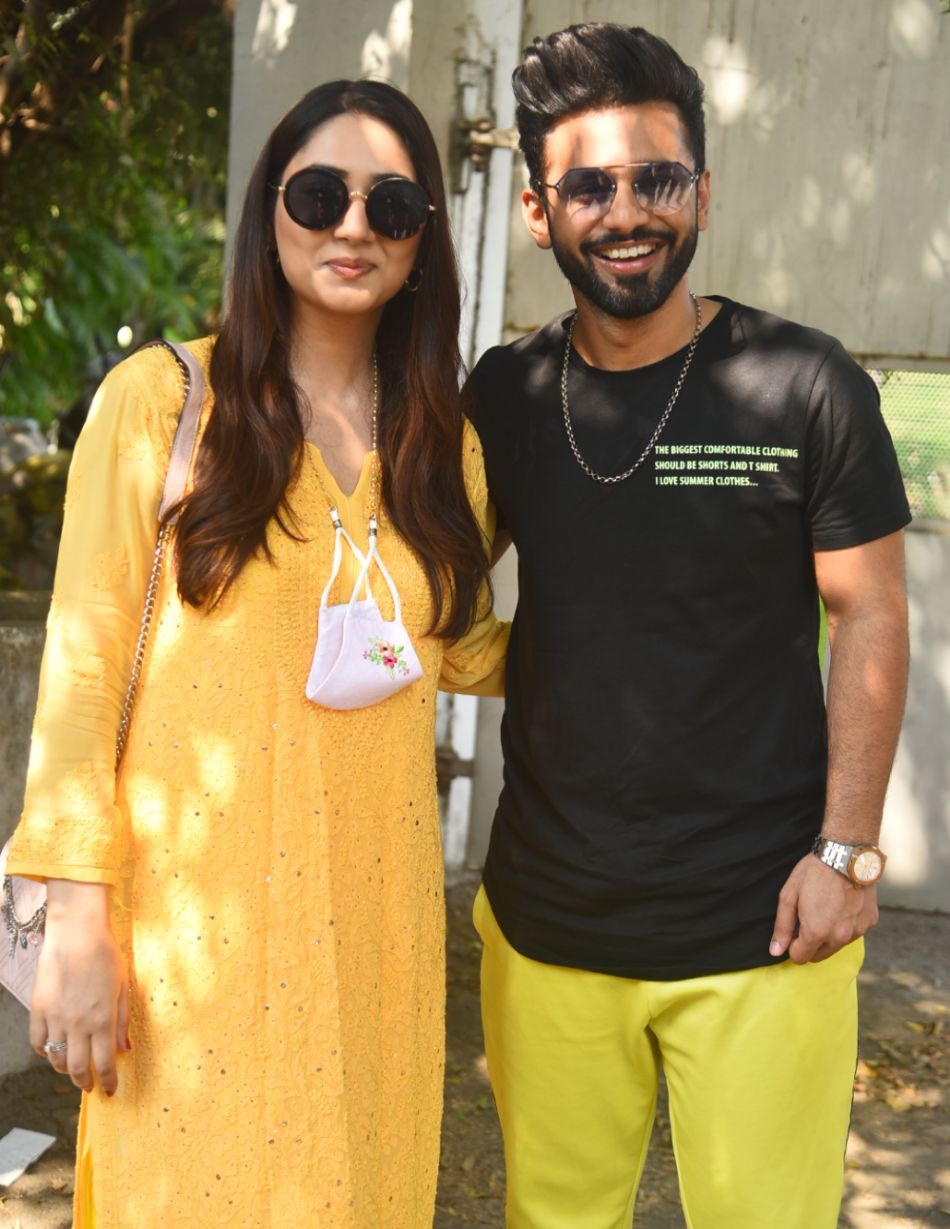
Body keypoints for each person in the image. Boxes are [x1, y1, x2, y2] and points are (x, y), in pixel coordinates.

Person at [6, 79, 507, 1229]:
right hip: (191, 947)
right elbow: (82, 671)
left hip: (375, 935)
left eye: (391, 205)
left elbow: (460, 649)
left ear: (423, 238)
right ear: (266, 211)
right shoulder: (161, 403)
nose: (352, 225)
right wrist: (77, 916)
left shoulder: (446, 448)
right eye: (320, 193)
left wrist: (672, 626)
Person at [467, 23, 910, 1229]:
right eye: (588, 187)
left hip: (765, 923)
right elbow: (417, 585)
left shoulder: (803, 382)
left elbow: (869, 612)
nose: (625, 213)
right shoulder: (503, 395)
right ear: (536, 210)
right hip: (548, 922)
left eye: (655, 178)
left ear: (700, 192)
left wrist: (846, 853)